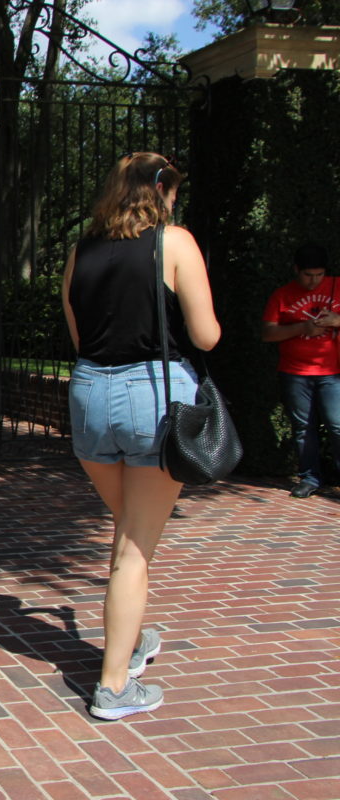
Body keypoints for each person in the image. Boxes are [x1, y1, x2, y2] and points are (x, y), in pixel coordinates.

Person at [61, 153, 221, 720]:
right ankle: (113, 685)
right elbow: (205, 335)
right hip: (151, 393)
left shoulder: (80, 251)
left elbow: (81, 339)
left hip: (89, 395)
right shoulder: (174, 242)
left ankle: (130, 636)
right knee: (133, 547)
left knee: (129, 531)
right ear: (160, 190)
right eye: (173, 191)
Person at [260, 242, 340, 498]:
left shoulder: (337, 286)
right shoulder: (282, 295)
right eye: (308, 275)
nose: (314, 281)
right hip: (295, 372)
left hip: (332, 371)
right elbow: (268, 333)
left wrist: (337, 320)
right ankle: (309, 478)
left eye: (319, 275)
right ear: (296, 270)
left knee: (337, 425)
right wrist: (302, 328)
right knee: (303, 427)